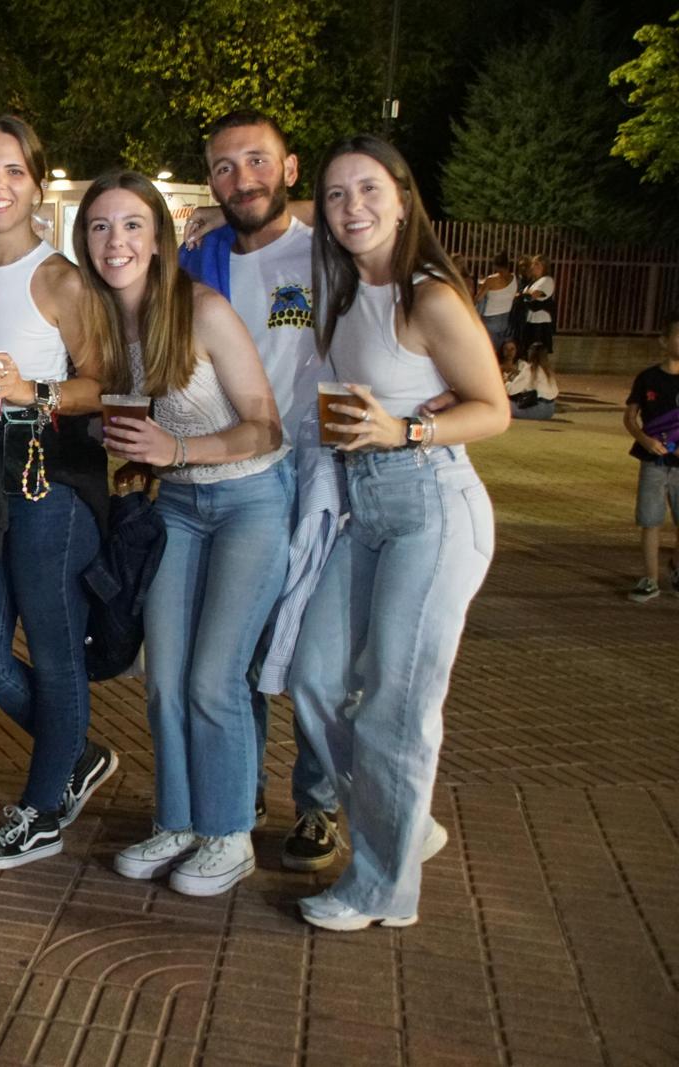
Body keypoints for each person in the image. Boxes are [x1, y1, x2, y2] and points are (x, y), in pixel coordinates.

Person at [288, 134, 509, 931]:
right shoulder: (346, 293)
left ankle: (381, 885)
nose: (353, 208)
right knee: (313, 676)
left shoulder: (430, 296)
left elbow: (494, 408)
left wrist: (407, 433)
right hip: (364, 506)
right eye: (338, 195)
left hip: (432, 509)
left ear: (405, 197)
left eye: (370, 190)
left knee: (395, 705)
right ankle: (404, 822)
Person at [77, 171, 289, 897]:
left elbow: (266, 426)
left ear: (160, 238)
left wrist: (177, 451)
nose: (117, 240)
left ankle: (228, 834)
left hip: (249, 500)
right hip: (175, 509)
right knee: (163, 679)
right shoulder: (105, 324)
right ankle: (179, 820)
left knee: (212, 678)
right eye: (101, 226)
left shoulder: (202, 310)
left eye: (132, 224)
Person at [0, 116, 120, 870]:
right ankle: (75, 753)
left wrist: (35, 389)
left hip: (49, 475)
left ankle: (42, 808)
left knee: (55, 653)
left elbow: (106, 382)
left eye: (13, 171)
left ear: (38, 184)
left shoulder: (59, 278)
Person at [177, 109, 344, 874]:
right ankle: (235, 796)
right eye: (223, 166)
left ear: (290, 167)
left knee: (310, 653)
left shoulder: (328, 254)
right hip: (230, 469)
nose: (241, 178)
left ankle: (318, 802)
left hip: (316, 475)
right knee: (235, 654)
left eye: (256, 161)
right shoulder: (201, 259)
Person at [624, 311, 679, 603]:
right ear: (664, 340)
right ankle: (650, 578)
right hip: (654, 461)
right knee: (651, 520)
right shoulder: (648, 378)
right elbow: (630, 417)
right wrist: (644, 439)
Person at [473, 252, 516, 352]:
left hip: (490, 319)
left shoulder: (491, 280)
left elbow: (478, 298)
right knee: (500, 351)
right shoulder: (514, 278)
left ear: (495, 265)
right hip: (505, 318)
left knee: (488, 351)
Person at [506, 342, 558, 420]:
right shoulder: (548, 370)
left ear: (531, 353)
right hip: (550, 410)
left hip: (536, 410)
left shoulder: (530, 369)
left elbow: (511, 390)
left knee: (501, 404)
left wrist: (506, 381)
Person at [519, 254, 556, 354]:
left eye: (537, 264)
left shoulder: (547, 280)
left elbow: (531, 297)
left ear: (544, 267)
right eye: (533, 264)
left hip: (541, 322)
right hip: (530, 320)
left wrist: (521, 295)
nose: (533, 267)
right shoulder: (533, 282)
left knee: (538, 354)